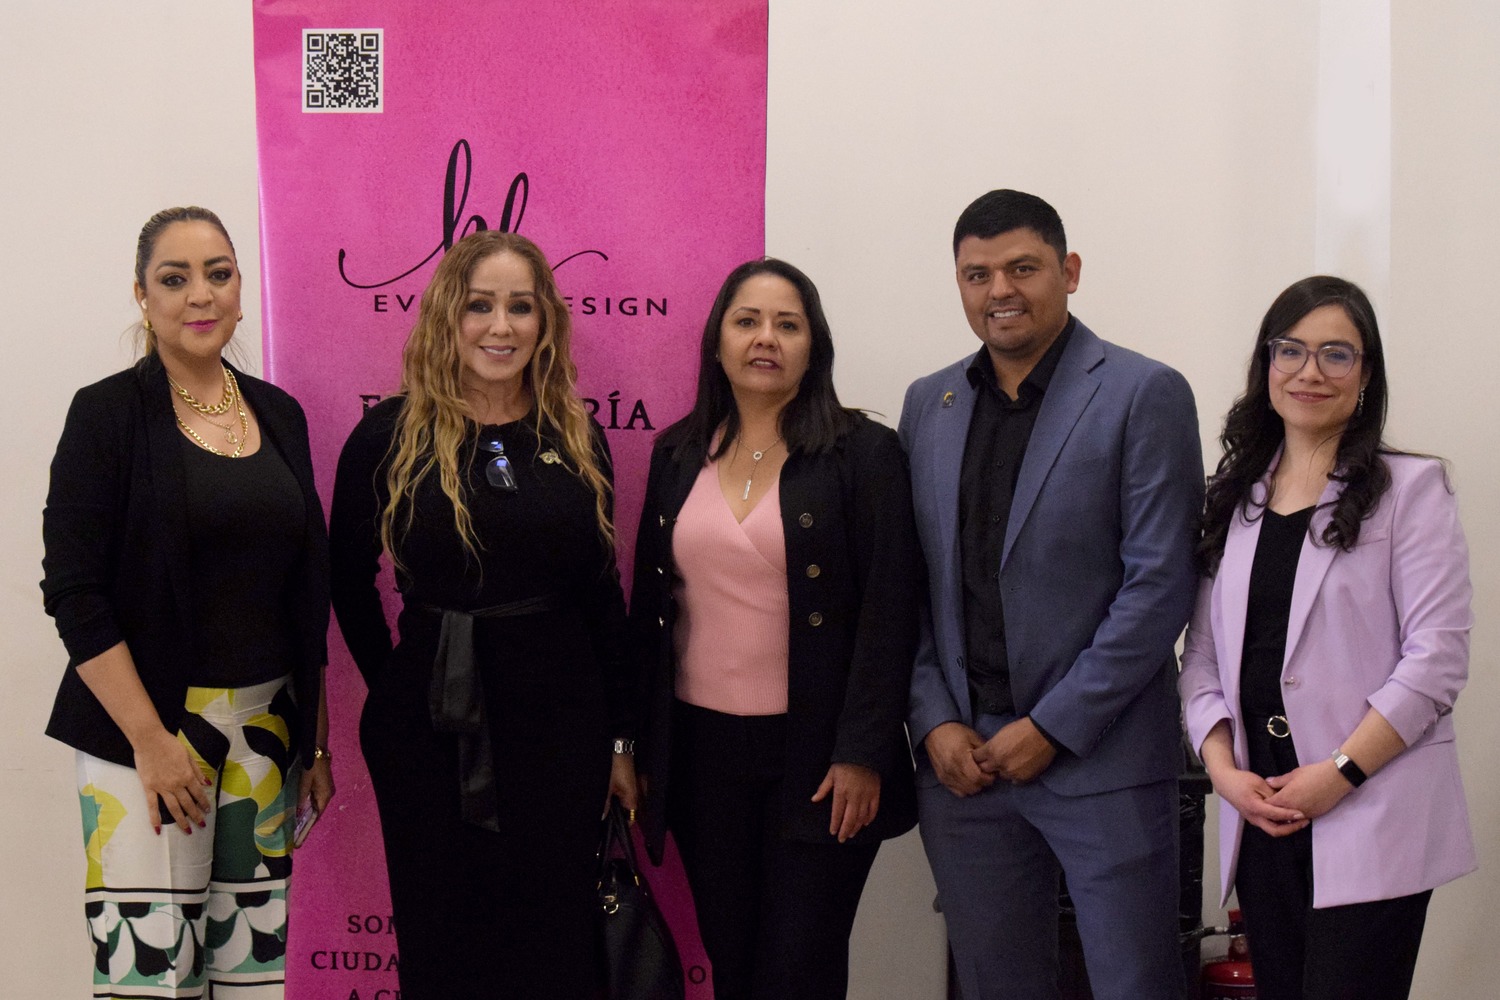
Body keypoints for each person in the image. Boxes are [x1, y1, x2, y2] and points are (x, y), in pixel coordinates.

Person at [899, 189, 1203, 1000]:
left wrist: (1053, 727)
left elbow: (1159, 586)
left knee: (1136, 985)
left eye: (1022, 268)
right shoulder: (929, 404)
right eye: (977, 274)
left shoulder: (1144, 392)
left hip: (1102, 759)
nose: (999, 289)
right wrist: (933, 720)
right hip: (964, 770)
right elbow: (911, 584)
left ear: (1068, 271)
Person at [328, 229, 636, 999]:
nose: (501, 327)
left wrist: (621, 739)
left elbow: (603, 598)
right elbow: (346, 578)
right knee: (442, 945)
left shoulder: (577, 436)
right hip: (427, 734)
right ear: (448, 316)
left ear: (545, 322)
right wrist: (400, 681)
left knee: (554, 947)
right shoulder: (388, 436)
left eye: (520, 307)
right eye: (480, 306)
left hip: (562, 733)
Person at [40, 206, 334, 999]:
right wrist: (151, 741)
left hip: (268, 737)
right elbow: (74, 592)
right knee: (156, 977)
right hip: (148, 738)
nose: (200, 294)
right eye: (175, 279)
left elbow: (304, 586)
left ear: (239, 289)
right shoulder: (106, 414)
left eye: (219, 274)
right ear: (143, 296)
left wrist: (314, 741)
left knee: (255, 977)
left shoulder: (279, 413)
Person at [631, 258, 920, 1000]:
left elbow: (891, 612)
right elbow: (647, 609)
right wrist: (632, 744)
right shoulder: (677, 452)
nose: (766, 338)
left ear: (813, 345)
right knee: (733, 964)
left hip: (819, 762)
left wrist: (862, 753)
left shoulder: (863, 453)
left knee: (799, 973)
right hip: (700, 757)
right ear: (717, 341)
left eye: (787, 324)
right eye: (747, 321)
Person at [1179, 276, 1474, 999]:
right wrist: (1223, 772)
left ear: (1366, 374)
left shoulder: (1410, 490)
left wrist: (1338, 772)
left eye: (1336, 354)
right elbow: (1203, 659)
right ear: (1266, 364)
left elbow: (1436, 661)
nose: (1310, 371)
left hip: (1371, 806)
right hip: (1262, 807)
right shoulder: (1234, 498)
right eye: (1292, 350)